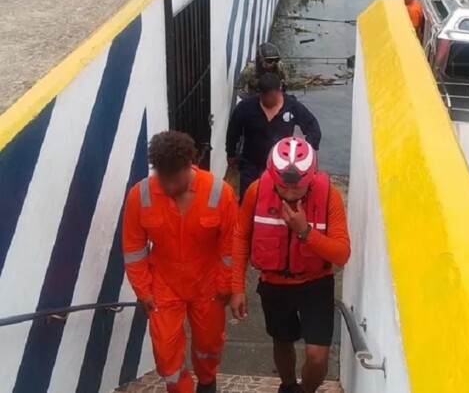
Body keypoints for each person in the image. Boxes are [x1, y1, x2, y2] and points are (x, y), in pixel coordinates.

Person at [229, 137, 350, 393]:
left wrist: (305, 231)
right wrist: (237, 287)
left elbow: (341, 254)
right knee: (281, 341)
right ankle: (287, 386)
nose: (291, 192)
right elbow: (241, 234)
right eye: (284, 186)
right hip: (274, 284)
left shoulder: (330, 196)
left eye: (299, 187)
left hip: (315, 283)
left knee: (318, 356)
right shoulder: (256, 191)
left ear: (311, 177)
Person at [122, 131, 238, 393]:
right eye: (162, 178)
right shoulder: (140, 195)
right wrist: (143, 290)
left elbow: (231, 246)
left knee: (208, 346)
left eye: (174, 178)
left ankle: (207, 382)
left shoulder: (220, 193)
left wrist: (226, 284)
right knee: (165, 352)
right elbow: (133, 249)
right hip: (163, 286)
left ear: (190, 166)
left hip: (209, 285)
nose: (168, 186)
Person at [226, 73, 322, 201]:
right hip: (251, 164)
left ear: (279, 90)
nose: (269, 99)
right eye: (266, 96)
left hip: (280, 166)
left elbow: (313, 127)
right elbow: (233, 131)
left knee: (277, 201)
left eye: (272, 95)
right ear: (261, 93)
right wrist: (231, 153)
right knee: (248, 199)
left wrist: (307, 151)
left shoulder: (292, 106)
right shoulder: (245, 108)